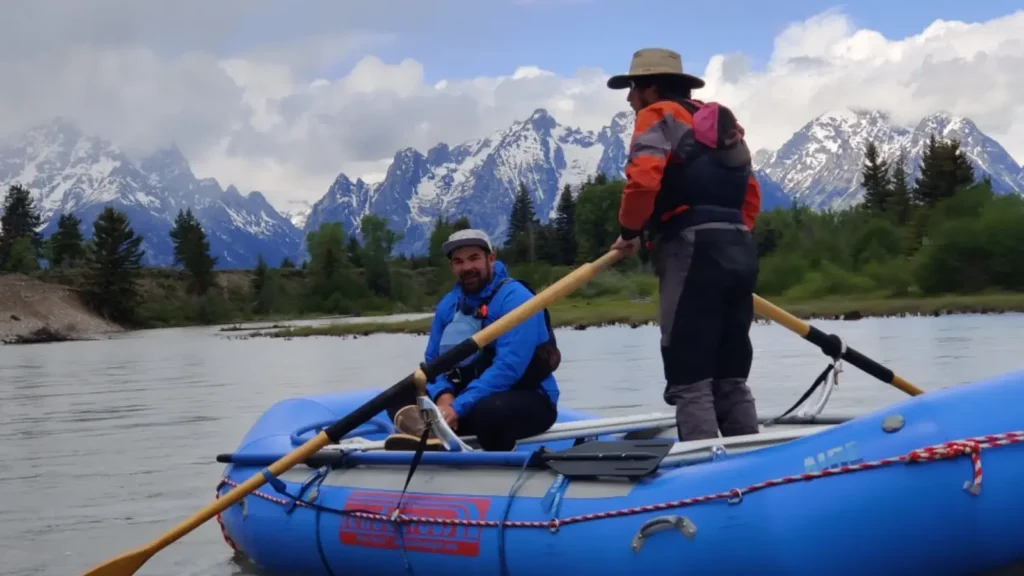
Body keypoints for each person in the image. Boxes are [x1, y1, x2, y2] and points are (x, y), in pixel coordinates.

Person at [606, 47, 762, 441]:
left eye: (632, 88)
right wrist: (730, 234)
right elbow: (750, 193)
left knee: (689, 371)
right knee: (730, 372)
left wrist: (629, 231)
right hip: (740, 249)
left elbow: (642, 181)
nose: (629, 98)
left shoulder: (656, 115)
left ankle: (705, 471)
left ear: (650, 87)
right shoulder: (723, 123)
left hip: (692, 250)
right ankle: (750, 456)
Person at [383, 228, 560, 452]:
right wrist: (443, 397)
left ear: (491, 258)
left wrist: (458, 406)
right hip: (463, 401)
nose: (467, 268)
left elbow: (509, 368)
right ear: (452, 267)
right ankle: (432, 438)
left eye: (474, 258)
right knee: (398, 394)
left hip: (527, 398)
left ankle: (489, 463)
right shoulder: (448, 305)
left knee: (488, 412)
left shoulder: (518, 300)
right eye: (458, 262)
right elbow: (433, 361)